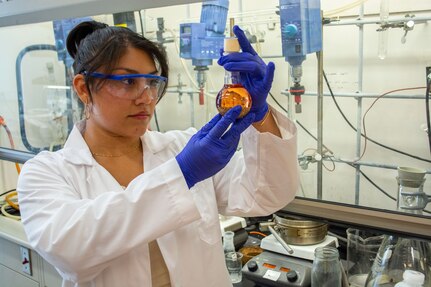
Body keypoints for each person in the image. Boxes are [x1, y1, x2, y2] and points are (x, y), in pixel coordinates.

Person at [17, 20, 299, 287]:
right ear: (83, 87)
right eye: (128, 82)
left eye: (151, 82)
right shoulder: (45, 173)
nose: (146, 97)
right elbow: (71, 252)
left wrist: (260, 117)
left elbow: (266, 194)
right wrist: (182, 174)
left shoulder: (182, 148)